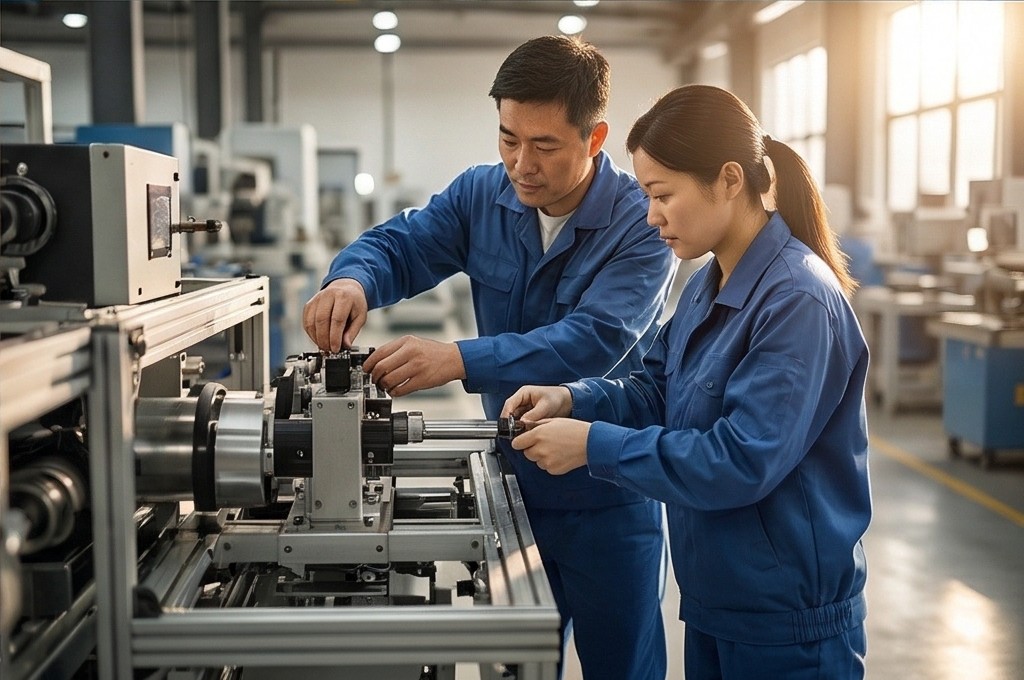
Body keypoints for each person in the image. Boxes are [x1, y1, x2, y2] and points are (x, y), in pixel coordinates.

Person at [303, 36, 677, 680]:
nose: (521, 164)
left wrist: (459, 359)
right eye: (508, 138)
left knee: (622, 667)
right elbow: (401, 245)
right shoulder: (482, 196)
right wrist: (352, 281)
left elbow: (596, 337)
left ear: (594, 138)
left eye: (545, 145)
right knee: (514, 666)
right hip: (512, 483)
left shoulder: (640, 221)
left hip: (608, 493)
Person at [502, 84, 871, 680]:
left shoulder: (797, 300)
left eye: (662, 195)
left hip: (786, 627)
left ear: (729, 179)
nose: (652, 216)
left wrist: (593, 446)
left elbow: (741, 461)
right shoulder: (709, 283)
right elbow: (654, 388)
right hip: (716, 602)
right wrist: (573, 398)